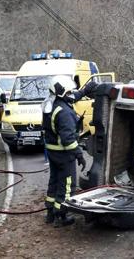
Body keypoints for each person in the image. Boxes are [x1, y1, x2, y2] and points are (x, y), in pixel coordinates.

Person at [42, 76, 97, 227]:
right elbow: (68, 139)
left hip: (53, 152)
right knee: (67, 185)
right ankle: (62, 216)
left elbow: (71, 98)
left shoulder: (50, 103)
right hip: (64, 154)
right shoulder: (65, 112)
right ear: (62, 92)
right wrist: (79, 155)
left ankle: (50, 213)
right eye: (69, 92)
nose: (71, 94)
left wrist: (84, 91)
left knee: (54, 182)